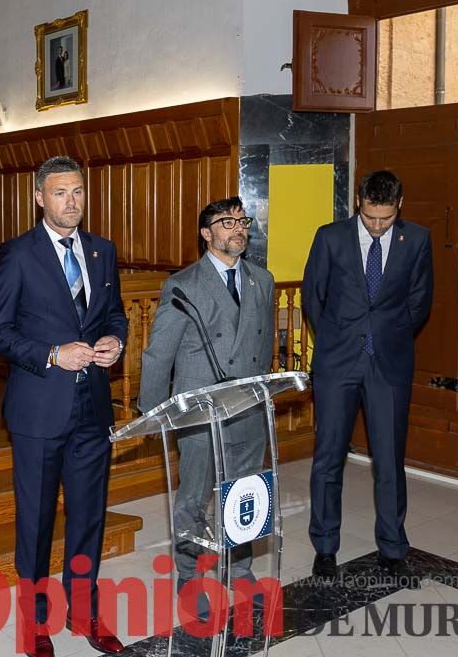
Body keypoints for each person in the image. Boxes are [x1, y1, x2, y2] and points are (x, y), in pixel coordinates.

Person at [0, 156, 128, 657]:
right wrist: (51, 354)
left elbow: (114, 314)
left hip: (92, 408)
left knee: (89, 518)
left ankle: (85, 614)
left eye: (79, 192)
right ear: (40, 198)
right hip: (38, 413)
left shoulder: (102, 250)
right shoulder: (18, 254)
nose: (73, 202)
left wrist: (115, 341)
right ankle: (34, 623)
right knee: (37, 523)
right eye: (62, 193)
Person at [138, 197, 275, 620]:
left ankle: (240, 568)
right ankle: (190, 573)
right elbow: (159, 354)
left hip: (246, 407)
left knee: (244, 491)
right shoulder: (184, 284)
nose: (238, 228)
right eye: (226, 222)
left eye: (242, 221)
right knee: (195, 495)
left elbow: (263, 344)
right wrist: (154, 410)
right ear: (206, 233)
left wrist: (260, 391)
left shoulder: (262, 280)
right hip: (199, 408)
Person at [302, 170, 433, 582]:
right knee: (328, 457)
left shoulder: (416, 240)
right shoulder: (331, 237)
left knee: (389, 460)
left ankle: (393, 548)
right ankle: (325, 547)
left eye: (386, 218)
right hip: (337, 363)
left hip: (389, 366)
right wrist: (339, 339)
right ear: (359, 201)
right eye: (371, 217)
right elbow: (312, 295)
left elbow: (419, 301)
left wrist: (386, 336)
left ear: (399, 207)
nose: (378, 226)